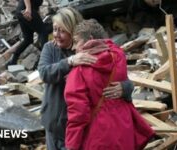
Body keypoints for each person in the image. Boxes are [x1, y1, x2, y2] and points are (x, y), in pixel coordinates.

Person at [38, 7, 134, 150]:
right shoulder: (50, 48)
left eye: (62, 30)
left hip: (78, 128)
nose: (56, 35)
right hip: (53, 122)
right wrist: (69, 61)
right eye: (54, 29)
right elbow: (44, 72)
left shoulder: (93, 52)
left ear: (73, 30)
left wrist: (126, 88)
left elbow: (113, 76)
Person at [64, 19, 155, 150]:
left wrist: (71, 145)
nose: (73, 47)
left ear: (89, 39)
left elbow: (78, 113)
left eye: (77, 42)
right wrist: (127, 87)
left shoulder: (79, 71)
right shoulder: (118, 57)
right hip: (125, 129)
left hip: (99, 136)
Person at [7, 0, 50, 65]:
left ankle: (13, 60)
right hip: (26, 11)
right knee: (43, 32)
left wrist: (38, 16)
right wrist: (28, 9)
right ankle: (47, 59)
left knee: (28, 39)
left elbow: (35, 6)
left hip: (21, 11)